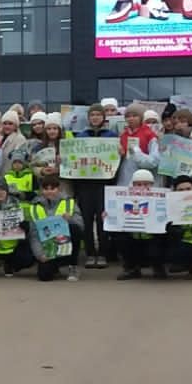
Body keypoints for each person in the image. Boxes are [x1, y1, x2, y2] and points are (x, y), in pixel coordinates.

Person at [72, 104, 117, 269]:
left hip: (104, 184)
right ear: (89, 117)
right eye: (93, 115)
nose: (96, 117)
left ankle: (103, 253)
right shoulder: (80, 137)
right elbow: (73, 160)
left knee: (102, 220)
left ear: (103, 117)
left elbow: (115, 161)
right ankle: (90, 254)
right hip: (85, 185)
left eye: (99, 114)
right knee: (86, 219)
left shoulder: (112, 136)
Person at [25, 175, 81, 282]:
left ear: (59, 189)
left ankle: (73, 266)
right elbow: (33, 234)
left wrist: (70, 219)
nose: (49, 192)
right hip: (48, 248)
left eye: (53, 188)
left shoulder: (69, 202)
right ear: (42, 190)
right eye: (46, 189)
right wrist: (40, 254)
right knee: (44, 276)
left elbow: (81, 226)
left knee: (75, 229)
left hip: (65, 244)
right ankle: (54, 266)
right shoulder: (35, 206)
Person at [116, 169, 167, 280]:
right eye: (138, 184)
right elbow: (116, 218)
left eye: (146, 184)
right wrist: (108, 217)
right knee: (119, 237)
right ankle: (131, 268)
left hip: (153, 238)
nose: (142, 187)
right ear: (132, 185)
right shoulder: (123, 199)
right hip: (133, 237)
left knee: (163, 239)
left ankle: (158, 266)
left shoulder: (162, 199)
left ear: (152, 185)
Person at [116, 102, 161, 186]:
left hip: (143, 182)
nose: (131, 118)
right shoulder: (123, 135)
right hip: (125, 181)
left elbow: (154, 161)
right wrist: (120, 155)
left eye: (134, 116)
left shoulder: (149, 134)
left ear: (141, 118)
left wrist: (136, 152)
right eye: (128, 116)